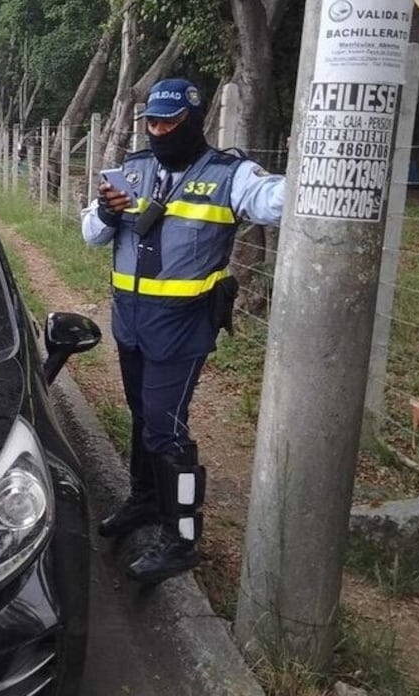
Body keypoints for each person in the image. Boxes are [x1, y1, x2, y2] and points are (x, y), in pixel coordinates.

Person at [81, 78, 285, 585]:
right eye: (152, 121)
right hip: (130, 322)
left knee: (166, 428)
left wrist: (322, 170)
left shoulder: (229, 175)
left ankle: (182, 538)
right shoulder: (132, 169)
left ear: (194, 122)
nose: (159, 130)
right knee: (141, 416)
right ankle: (146, 502)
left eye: (170, 122)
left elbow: (274, 200)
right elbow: (90, 235)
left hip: (182, 326)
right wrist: (106, 212)